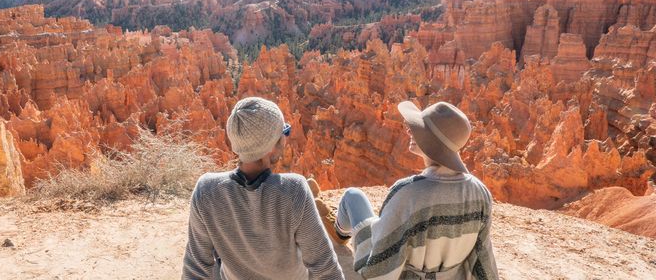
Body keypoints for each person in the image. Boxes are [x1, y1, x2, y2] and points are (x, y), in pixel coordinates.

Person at [183, 97, 344, 280]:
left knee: (214, 256)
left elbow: (195, 270)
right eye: (285, 132)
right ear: (271, 148)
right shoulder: (294, 190)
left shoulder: (206, 190)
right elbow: (325, 268)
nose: (286, 137)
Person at [334, 101, 498, 280]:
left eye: (418, 129)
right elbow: (483, 255)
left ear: (432, 143)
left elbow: (379, 270)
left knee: (353, 196)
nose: (409, 130)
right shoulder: (480, 193)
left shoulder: (408, 193)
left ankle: (340, 234)